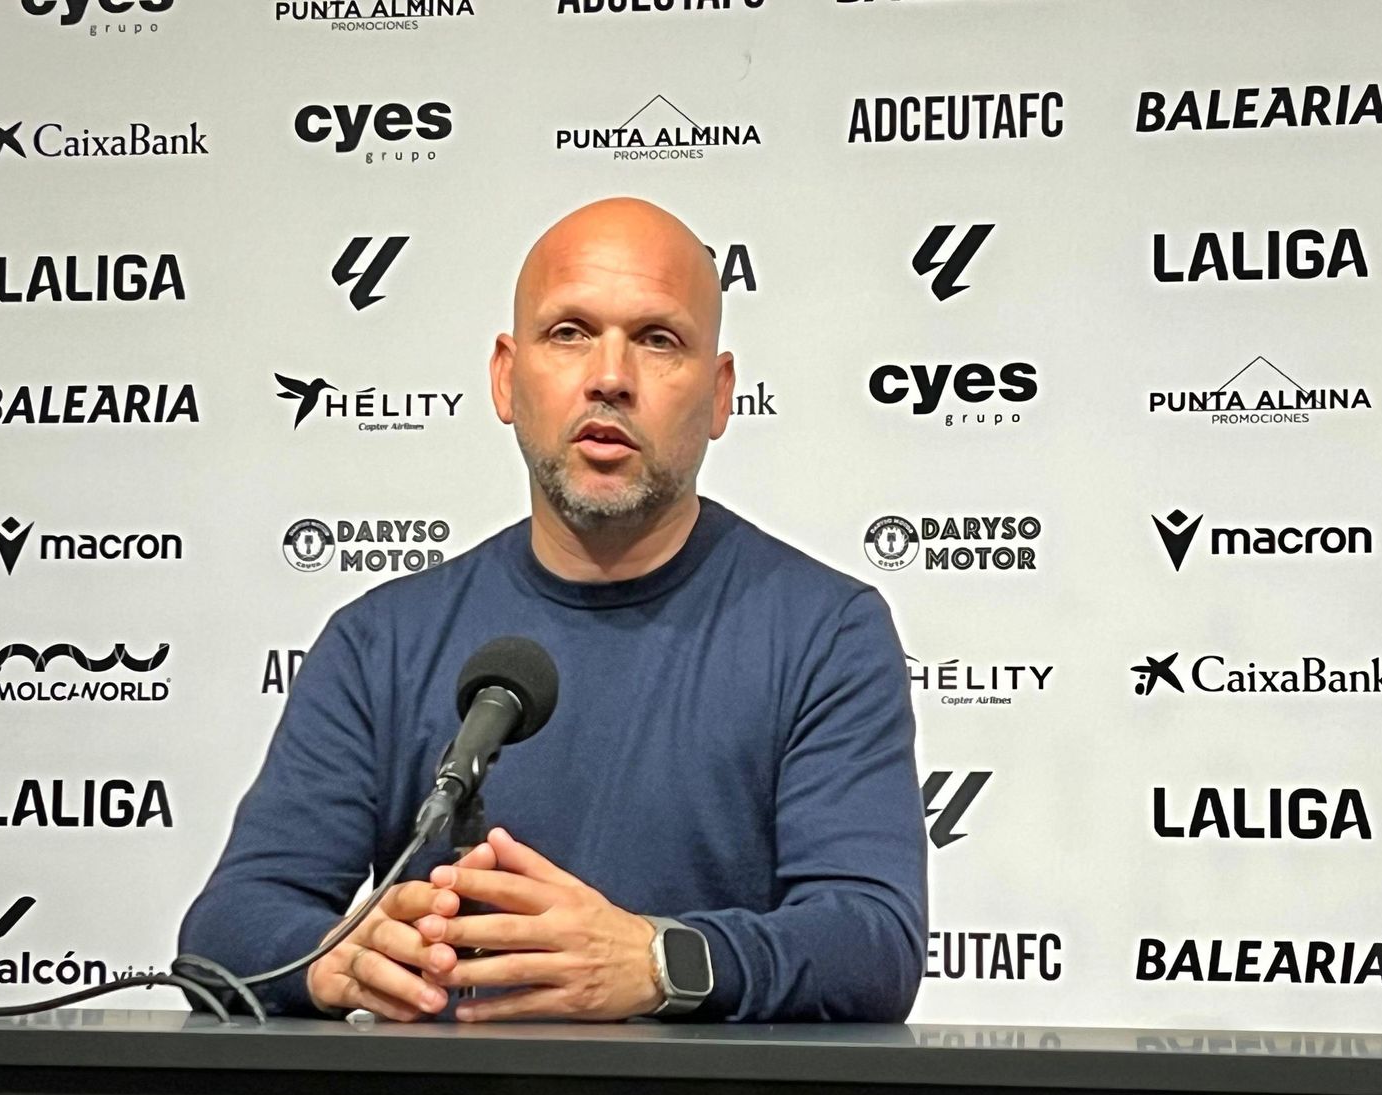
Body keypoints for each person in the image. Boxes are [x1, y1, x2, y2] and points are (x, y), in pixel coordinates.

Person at [178, 198, 926, 1022]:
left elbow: (872, 942)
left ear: (719, 397)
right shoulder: (381, 640)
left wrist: (653, 959)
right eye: (568, 333)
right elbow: (226, 929)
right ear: (506, 377)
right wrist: (339, 963)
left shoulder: (825, 631)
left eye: (657, 339)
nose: (609, 376)